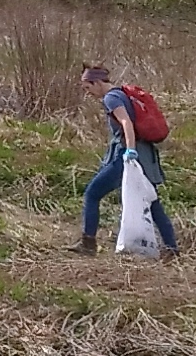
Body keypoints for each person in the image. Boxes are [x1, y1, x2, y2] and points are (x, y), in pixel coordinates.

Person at [76, 63, 179, 257]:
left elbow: (126, 123)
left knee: (92, 194)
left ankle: (88, 244)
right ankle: (172, 249)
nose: (87, 93)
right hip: (146, 155)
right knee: (152, 201)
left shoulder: (111, 98)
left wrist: (130, 152)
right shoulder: (122, 93)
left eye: (88, 88)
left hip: (126, 156)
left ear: (97, 82)